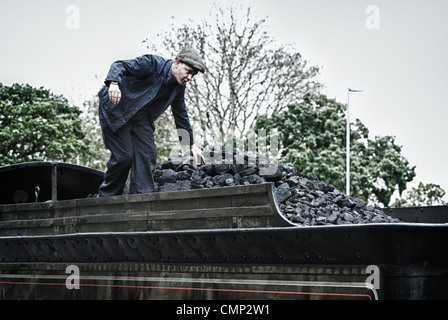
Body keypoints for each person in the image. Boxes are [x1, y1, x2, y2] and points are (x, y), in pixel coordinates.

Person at [97, 48, 205, 197]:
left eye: (193, 74)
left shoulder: (178, 87)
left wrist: (191, 143)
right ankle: (106, 199)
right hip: (117, 109)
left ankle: (141, 199)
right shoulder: (152, 64)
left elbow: (181, 114)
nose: (190, 77)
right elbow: (120, 65)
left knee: (147, 154)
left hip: (141, 118)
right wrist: (114, 83)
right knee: (124, 157)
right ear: (177, 63)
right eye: (188, 71)